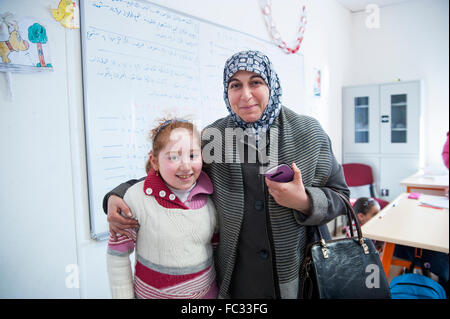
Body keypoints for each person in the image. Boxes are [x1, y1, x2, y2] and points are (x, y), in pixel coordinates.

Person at [103, 50, 350, 299]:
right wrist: (118, 194)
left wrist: (304, 201)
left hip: (296, 274)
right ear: (226, 91)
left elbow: (340, 195)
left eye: (256, 82)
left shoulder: (308, 131)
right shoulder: (214, 137)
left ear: (271, 84)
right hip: (237, 279)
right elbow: (176, 174)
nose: (245, 95)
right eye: (235, 85)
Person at [106, 119, 219, 299]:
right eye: (174, 156)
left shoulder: (211, 197)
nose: (186, 166)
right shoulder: (135, 199)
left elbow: (215, 249)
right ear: (155, 161)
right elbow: (117, 256)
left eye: (192, 155)